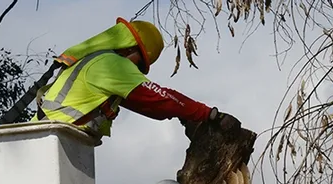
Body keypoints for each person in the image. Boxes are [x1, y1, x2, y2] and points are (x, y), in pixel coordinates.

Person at [32, 17, 241, 139]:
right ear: (129, 48)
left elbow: (151, 107)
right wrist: (210, 114)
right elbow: (160, 99)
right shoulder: (110, 64)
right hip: (53, 138)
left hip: (49, 136)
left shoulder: (93, 61)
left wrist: (183, 114)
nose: (138, 71)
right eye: (140, 63)